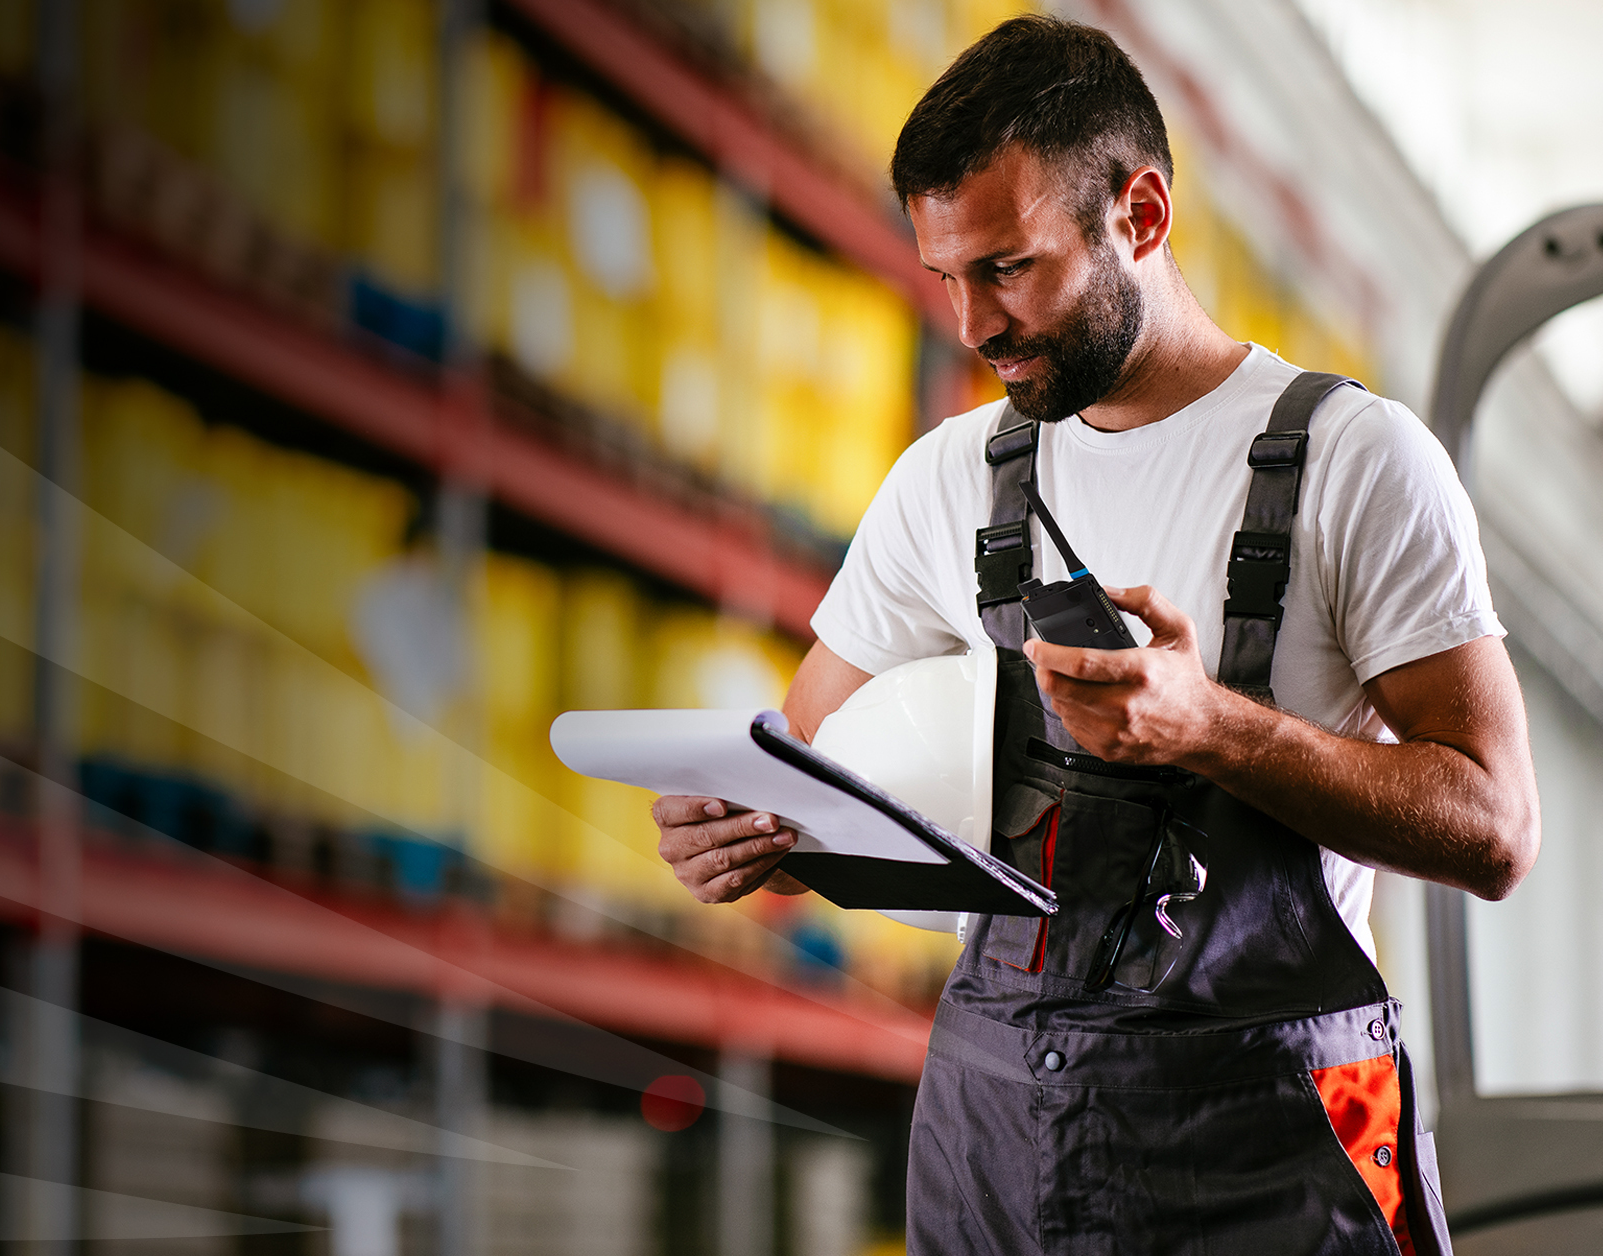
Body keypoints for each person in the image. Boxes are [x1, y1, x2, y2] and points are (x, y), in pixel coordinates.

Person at [651, 15, 1538, 1255]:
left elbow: (1496, 827)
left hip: (1267, 1160)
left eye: (1008, 266)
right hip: (997, 1144)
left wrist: (1212, 725)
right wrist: (753, 837)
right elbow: (808, 767)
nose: (971, 324)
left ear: (1142, 215)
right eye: (945, 277)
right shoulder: (946, 481)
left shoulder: (1354, 461)